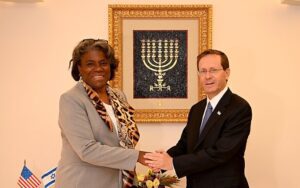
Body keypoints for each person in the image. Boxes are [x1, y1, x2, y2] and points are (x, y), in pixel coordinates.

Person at [145, 49, 252, 188]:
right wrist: (161, 161)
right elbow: (184, 145)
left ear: (227, 73)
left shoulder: (239, 107)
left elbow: (220, 153)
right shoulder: (197, 109)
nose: (207, 76)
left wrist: (172, 163)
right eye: (203, 71)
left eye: (213, 70)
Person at [55, 38, 147, 188]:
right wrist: (138, 156)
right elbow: (87, 150)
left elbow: (125, 142)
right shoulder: (71, 99)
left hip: (118, 182)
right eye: (90, 64)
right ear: (79, 68)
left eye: (103, 63)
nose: (98, 68)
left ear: (110, 66)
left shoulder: (119, 97)